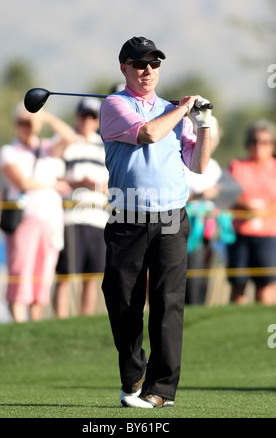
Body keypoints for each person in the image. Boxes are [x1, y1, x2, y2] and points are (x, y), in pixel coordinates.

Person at [100, 36, 212, 408]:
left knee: (168, 302)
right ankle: (133, 374)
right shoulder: (114, 105)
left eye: (154, 63)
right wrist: (181, 110)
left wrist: (205, 124)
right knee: (121, 300)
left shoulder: (169, 110)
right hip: (127, 215)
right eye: (140, 63)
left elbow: (198, 165)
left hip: (169, 218)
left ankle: (160, 390)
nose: (148, 70)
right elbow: (148, 134)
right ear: (125, 68)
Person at [0, 103, 75, 322]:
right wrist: (52, 184)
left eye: (29, 122)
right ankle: (19, 321)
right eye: (22, 122)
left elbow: (69, 137)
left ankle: (36, 320)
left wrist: (45, 118)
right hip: (25, 218)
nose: (26, 127)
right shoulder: (9, 151)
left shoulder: (47, 148)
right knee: (21, 270)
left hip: (50, 219)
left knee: (44, 271)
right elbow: (22, 182)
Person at [54, 98, 109, 318]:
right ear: (77, 117)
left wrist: (95, 184)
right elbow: (56, 177)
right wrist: (80, 183)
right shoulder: (66, 142)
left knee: (92, 275)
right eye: (84, 115)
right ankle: (61, 318)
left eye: (92, 116)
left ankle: (84, 319)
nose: (87, 120)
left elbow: (108, 182)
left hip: (98, 218)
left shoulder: (104, 145)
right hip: (72, 217)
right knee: (65, 274)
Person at [227, 119, 276, 305]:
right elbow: (224, 194)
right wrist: (246, 205)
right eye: (255, 141)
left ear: (271, 145)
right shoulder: (237, 166)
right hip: (240, 235)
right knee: (238, 285)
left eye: (264, 142)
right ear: (248, 143)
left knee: (266, 286)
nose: (258, 146)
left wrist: (265, 209)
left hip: (269, 236)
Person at [184, 116, 223, 304]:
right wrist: (201, 196)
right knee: (189, 271)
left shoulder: (214, 167)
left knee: (204, 271)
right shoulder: (185, 163)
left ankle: (200, 306)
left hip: (208, 227)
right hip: (187, 225)